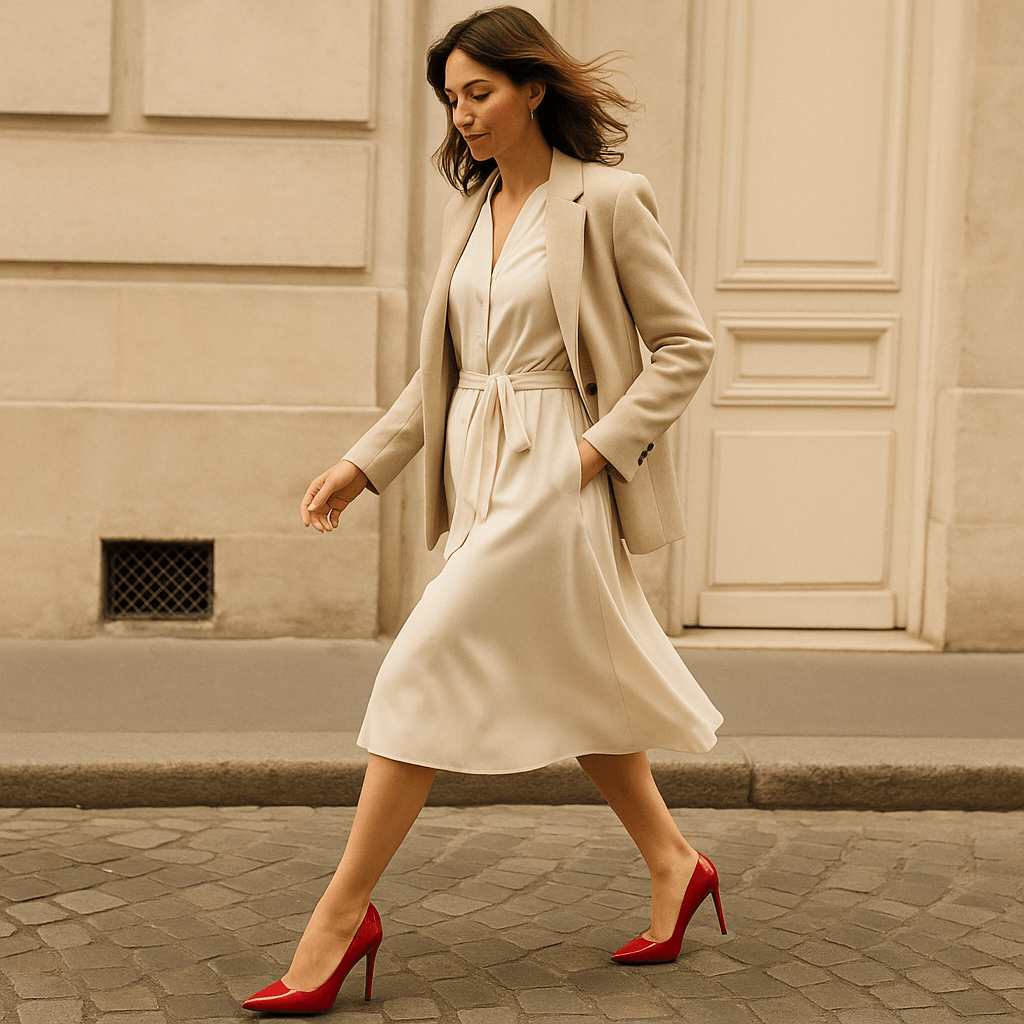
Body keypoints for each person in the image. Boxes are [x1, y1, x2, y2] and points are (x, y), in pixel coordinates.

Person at [243, 6, 725, 1014]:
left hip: (558, 471)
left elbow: (685, 346)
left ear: (532, 89)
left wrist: (598, 449)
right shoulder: (468, 217)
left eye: (479, 91)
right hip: (478, 470)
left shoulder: (606, 201)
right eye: (451, 97)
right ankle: (676, 862)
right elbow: (449, 373)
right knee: (577, 677)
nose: (462, 114)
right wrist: (363, 463)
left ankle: (340, 919)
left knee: (419, 664)